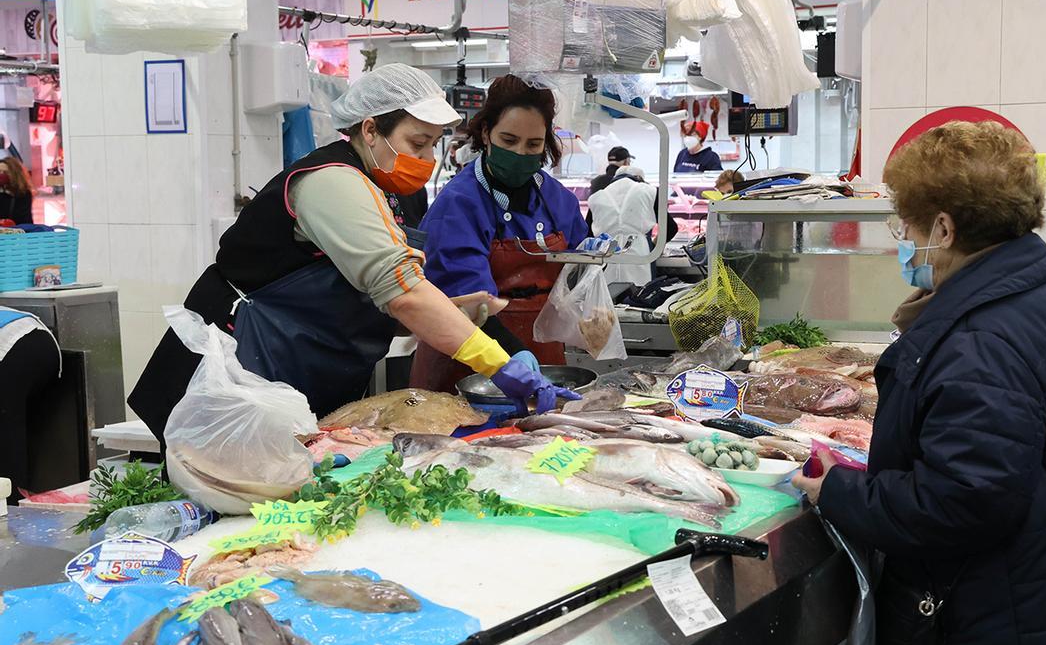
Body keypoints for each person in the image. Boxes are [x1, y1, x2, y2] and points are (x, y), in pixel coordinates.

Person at [793, 121, 1046, 645]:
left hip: (1031, 615)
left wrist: (840, 491)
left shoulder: (982, 337)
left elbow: (963, 503)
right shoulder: (1034, 290)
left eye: (905, 227)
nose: (904, 241)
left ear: (944, 229)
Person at [129, 64, 576, 455]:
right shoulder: (332, 181)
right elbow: (401, 293)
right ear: (369, 130)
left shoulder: (383, 189)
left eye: (432, 147)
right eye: (416, 142)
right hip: (233, 379)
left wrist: (461, 312)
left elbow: (371, 298)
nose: (423, 160)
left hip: (293, 382)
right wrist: (498, 362)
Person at [414, 75, 590, 393]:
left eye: (533, 144)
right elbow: (464, 299)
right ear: (486, 133)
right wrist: (511, 352)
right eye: (509, 141)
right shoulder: (459, 204)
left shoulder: (556, 198)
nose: (521, 153)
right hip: (468, 362)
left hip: (542, 355)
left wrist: (592, 260)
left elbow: (574, 272)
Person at [0, 306, 59, 503]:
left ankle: (11, 507)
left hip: (11, 348)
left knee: (7, 435)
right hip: (42, 341)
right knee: (13, 428)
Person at [589, 166, 657, 287]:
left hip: (606, 252)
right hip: (639, 251)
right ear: (639, 178)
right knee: (639, 296)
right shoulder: (648, 191)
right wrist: (655, 245)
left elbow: (587, 233)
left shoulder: (597, 197)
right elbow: (671, 227)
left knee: (607, 297)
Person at [0, 157, 33, 225]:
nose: (1, 175)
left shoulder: (23, 194)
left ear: (14, 174)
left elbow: (25, 220)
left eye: (5, 172)